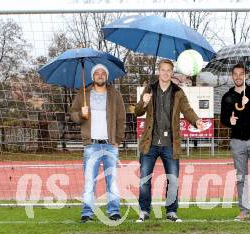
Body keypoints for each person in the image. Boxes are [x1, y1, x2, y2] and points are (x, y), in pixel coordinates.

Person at [134, 59, 204, 222]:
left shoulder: (178, 92)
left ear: (172, 73)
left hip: (170, 144)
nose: (165, 73)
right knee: (145, 179)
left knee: (173, 180)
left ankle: (171, 211)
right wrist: (143, 102)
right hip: (149, 143)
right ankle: (144, 211)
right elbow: (137, 111)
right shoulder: (149, 89)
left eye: (169, 70)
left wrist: (196, 121)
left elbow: (187, 110)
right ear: (159, 71)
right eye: (163, 70)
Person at [70, 64, 126, 223]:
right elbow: (73, 114)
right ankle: (87, 213)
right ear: (92, 76)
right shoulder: (83, 94)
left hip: (110, 144)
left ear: (106, 76)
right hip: (91, 145)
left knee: (112, 181)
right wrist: (81, 114)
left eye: (103, 73)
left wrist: (118, 140)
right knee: (89, 181)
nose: (100, 75)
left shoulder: (115, 94)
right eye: (97, 73)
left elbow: (121, 119)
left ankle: (114, 211)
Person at [220, 63, 250, 223]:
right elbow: (222, 118)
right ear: (232, 76)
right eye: (235, 74)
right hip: (237, 141)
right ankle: (244, 211)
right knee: (241, 177)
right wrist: (230, 121)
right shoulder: (227, 97)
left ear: (245, 75)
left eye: (241, 74)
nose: (238, 77)